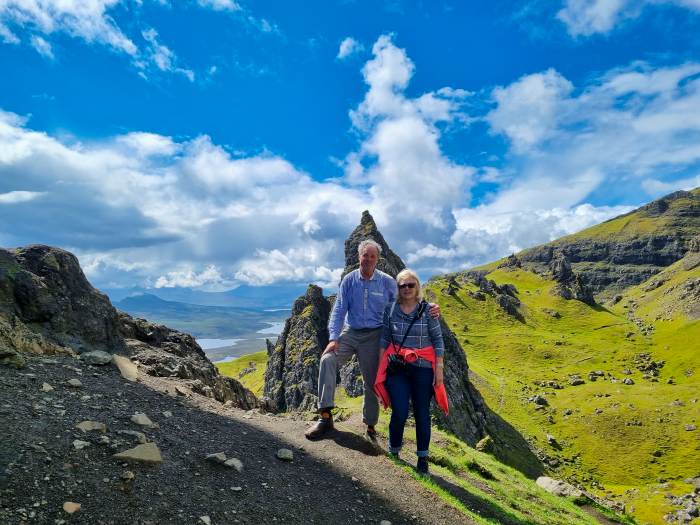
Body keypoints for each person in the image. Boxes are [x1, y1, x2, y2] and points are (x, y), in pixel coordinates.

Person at [305, 239, 440, 441]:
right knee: (327, 360)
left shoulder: (386, 281)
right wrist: (334, 338)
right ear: (359, 257)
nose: (368, 259)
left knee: (372, 380)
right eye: (364, 255)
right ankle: (325, 417)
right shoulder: (349, 281)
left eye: (372, 256)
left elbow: (406, 297)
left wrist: (429, 307)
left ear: (377, 259)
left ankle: (370, 426)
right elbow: (339, 310)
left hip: (376, 334)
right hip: (351, 332)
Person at [374, 269, 448, 476]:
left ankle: (422, 458)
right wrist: (379, 367)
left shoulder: (429, 310)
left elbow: (438, 340)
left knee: (422, 414)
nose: (406, 289)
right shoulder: (390, 310)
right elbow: (385, 339)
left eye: (410, 285)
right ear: (397, 289)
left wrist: (439, 369)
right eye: (402, 286)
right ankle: (394, 450)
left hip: (423, 369)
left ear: (417, 287)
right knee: (400, 411)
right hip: (398, 367)